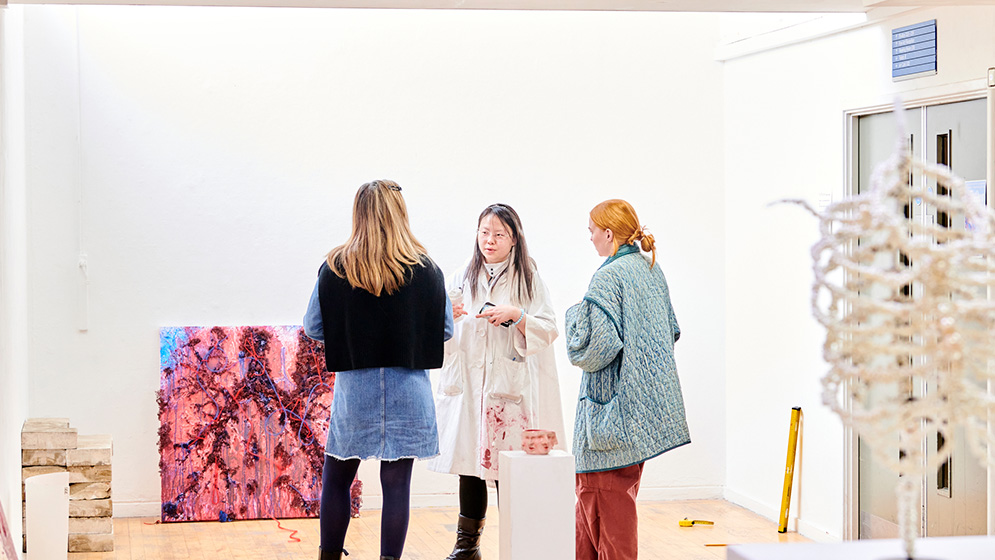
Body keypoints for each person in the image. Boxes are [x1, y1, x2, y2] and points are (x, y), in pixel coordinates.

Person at [304, 179, 453, 560]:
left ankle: (329, 557)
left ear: (359, 214)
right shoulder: (428, 269)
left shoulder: (335, 267)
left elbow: (313, 328)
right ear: (400, 214)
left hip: (356, 390)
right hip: (409, 389)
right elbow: (446, 330)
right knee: (397, 485)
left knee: (336, 478)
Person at [427, 203, 565, 560]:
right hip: (470, 388)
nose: (490, 240)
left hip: (508, 390)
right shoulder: (461, 276)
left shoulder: (529, 278)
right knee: (470, 468)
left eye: (499, 234)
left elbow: (549, 327)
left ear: (514, 239)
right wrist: (448, 316)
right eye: (484, 233)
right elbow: (438, 330)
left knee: (510, 471)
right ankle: (466, 547)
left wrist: (517, 315)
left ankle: (520, 546)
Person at [566, 199, 690, 560]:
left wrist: (576, 314)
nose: (589, 238)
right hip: (639, 417)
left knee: (604, 516)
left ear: (608, 233)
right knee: (602, 513)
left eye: (591, 230)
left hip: (610, 419)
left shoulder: (609, 277)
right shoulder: (650, 269)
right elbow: (672, 331)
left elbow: (591, 351)